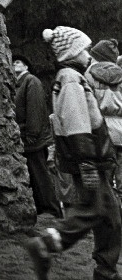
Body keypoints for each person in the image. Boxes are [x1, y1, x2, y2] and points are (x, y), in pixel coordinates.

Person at [26, 26, 121, 280]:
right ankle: (46, 244)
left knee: (111, 218)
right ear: (74, 51)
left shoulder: (74, 77)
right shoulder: (70, 78)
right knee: (91, 210)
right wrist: (87, 162)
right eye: (85, 49)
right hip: (89, 161)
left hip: (96, 159)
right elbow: (76, 123)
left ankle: (106, 271)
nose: (88, 53)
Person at [13, 54, 61, 217]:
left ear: (26, 67)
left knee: (41, 177)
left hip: (33, 139)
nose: (14, 64)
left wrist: (32, 135)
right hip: (26, 137)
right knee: (34, 177)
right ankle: (42, 210)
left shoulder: (30, 81)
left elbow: (35, 108)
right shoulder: (17, 84)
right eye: (12, 62)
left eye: (18, 62)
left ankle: (52, 211)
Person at [85, 39, 122, 203]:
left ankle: (108, 218)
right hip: (121, 131)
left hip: (102, 132)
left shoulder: (88, 75)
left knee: (104, 181)